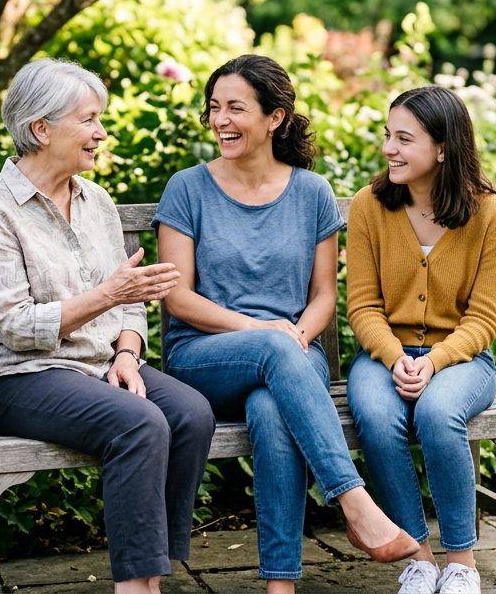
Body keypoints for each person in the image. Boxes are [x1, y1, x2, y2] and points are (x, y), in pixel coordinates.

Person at [154, 54, 419, 593]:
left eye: (235, 108)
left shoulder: (311, 192)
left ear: (275, 117)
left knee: (271, 408)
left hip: (293, 355)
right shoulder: (188, 188)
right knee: (276, 355)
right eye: (214, 108)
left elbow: (323, 296)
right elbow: (177, 298)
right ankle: (356, 504)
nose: (220, 120)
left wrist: (291, 335)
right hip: (204, 357)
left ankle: (280, 586)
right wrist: (264, 333)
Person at [0, 58, 216, 594]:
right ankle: (135, 586)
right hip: (20, 377)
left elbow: (130, 301)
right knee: (139, 423)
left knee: (191, 414)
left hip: (101, 364)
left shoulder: (95, 200)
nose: (101, 133)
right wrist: (110, 295)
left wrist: (127, 354)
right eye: (89, 120)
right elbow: (15, 327)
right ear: (41, 129)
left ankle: (154, 569)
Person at [345, 84, 496, 594]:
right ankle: (418, 559)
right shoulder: (369, 206)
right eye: (387, 136)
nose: (389, 149)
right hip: (383, 356)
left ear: (442, 148)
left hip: (462, 361)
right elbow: (363, 307)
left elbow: (484, 319)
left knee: (439, 414)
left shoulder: (489, 214)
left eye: (404, 138)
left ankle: (461, 564)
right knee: (377, 417)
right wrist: (395, 357)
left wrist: (435, 361)